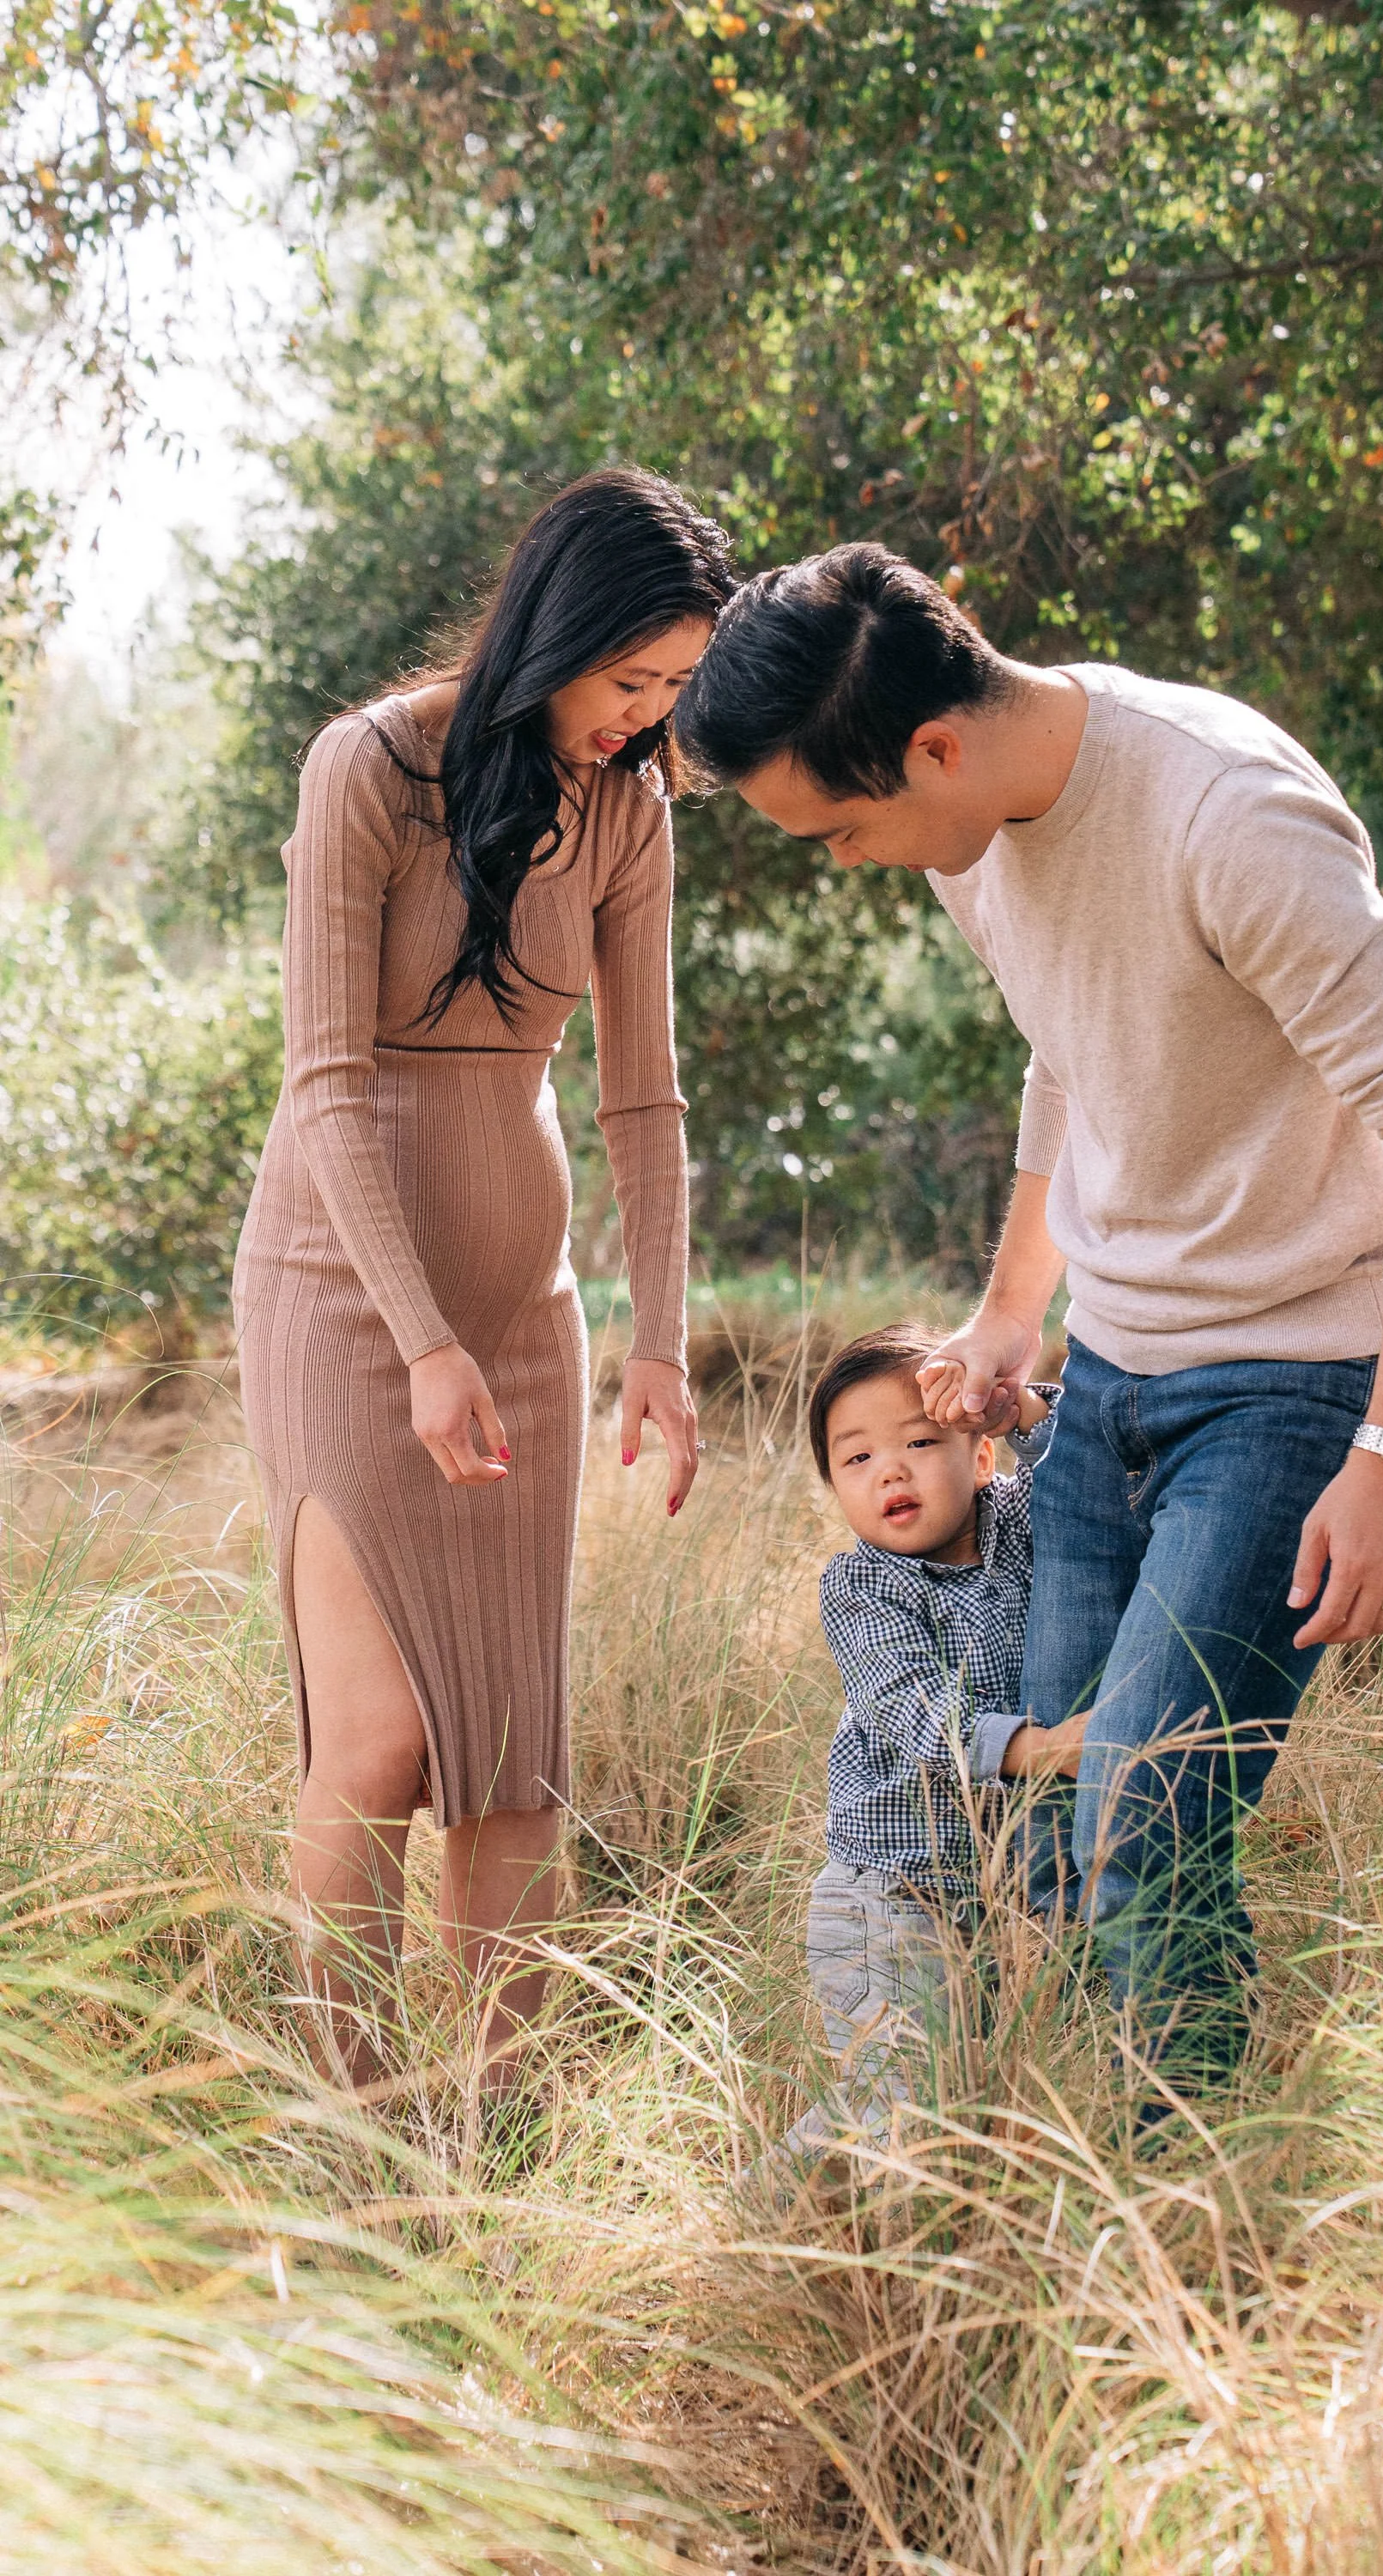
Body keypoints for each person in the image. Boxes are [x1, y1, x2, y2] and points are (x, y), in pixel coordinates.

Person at [676, 547, 1383, 2087]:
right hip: (1099, 1385)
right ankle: (1074, 2201)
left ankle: (1182, 2240)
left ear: (930, 746)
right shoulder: (969, 837)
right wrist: (1013, 1308)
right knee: (1050, 1837)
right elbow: (1067, 1044)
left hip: (1283, 1385)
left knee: (1143, 1815)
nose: (849, 860)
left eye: (841, 826)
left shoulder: (1224, 818)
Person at [234, 467, 734, 2093]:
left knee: (513, 1772)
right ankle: (356, 2145)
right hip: (342, 1291)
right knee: (378, 1747)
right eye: (627, 679)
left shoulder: (631, 810)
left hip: (525, 1321)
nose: (643, 717)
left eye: (673, 689)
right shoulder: (373, 767)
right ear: (555, 633)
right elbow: (325, 1078)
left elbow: (642, 1098)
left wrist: (658, 1339)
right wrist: (419, 1339)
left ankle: (492, 2142)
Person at [782, 1322, 1075, 2158]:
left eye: (918, 1440)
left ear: (981, 1456)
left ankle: (906, 2256)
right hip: (890, 1900)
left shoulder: (1016, 1525)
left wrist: (1013, 1404)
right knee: (898, 2107)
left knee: (966, 2111)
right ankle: (758, 2228)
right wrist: (1033, 1749)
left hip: (994, 1902)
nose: (892, 1471)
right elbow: (906, 1707)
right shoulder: (864, 1583)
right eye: (858, 1459)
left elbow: (1087, 1462)